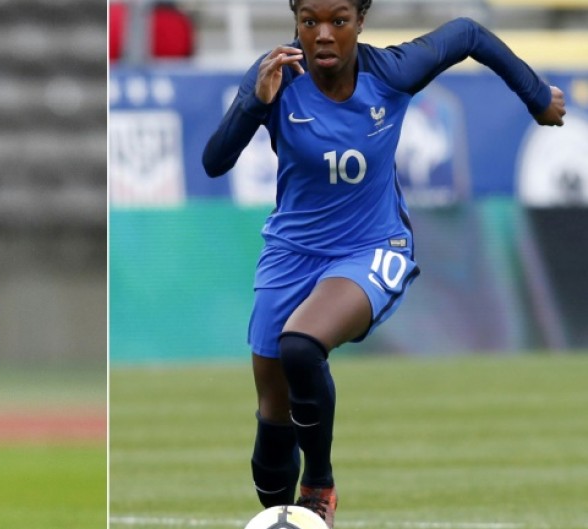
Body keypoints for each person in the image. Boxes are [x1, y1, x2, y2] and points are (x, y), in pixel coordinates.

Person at [201, 0, 566, 527]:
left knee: (301, 345)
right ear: (295, 22)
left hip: (372, 247)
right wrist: (253, 106)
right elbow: (215, 162)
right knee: (268, 469)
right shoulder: (275, 77)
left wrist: (535, 97)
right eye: (310, 23)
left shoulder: (392, 72)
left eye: (338, 21)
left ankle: (320, 483)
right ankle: (290, 498)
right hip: (290, 253)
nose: (323, 35)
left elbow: (467, 33)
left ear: (361, 21)